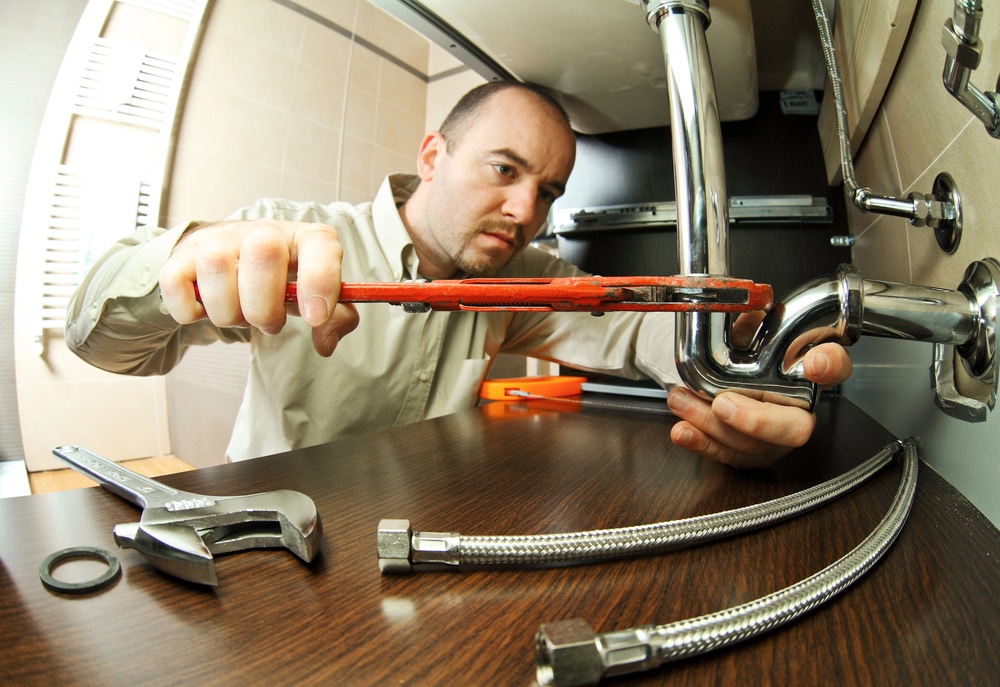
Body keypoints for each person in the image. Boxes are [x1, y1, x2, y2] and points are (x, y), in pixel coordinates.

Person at [66, 81, 851, 467]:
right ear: (433, 157)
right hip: (271, 537)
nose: (525, 210)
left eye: (546, 191)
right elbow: (100, 345)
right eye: (504, 169)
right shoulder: (302, 240)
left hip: (429, 540)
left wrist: (739, 349)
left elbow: (636, 330)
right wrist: (177, 269)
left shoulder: (526, 280)